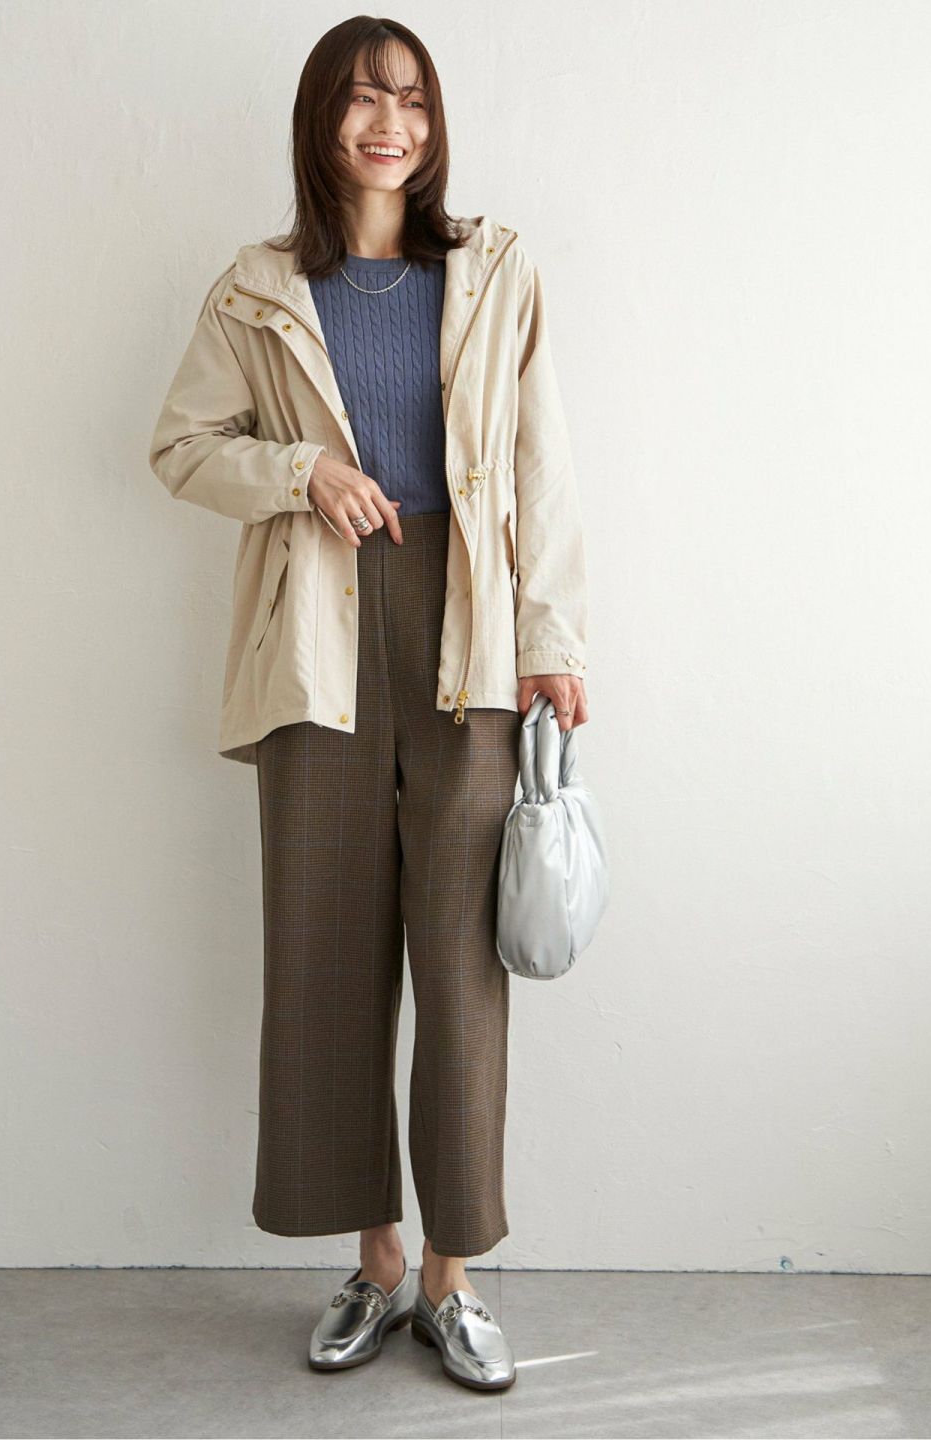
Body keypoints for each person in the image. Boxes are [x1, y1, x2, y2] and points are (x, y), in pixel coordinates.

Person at [148, 15, 589, 1393]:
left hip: (465, 640)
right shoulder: (258, 287)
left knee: (461, 972)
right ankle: (377, 1261)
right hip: (314, 647)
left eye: (410, 98)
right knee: (327, 960)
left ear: (433, 122)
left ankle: (453, 1278)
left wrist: (552, 639)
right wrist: (301, 474)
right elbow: (181, 446)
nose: (387, 122)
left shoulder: (495, 269)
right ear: (321, 121)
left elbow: (544, 467)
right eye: (360, 98)